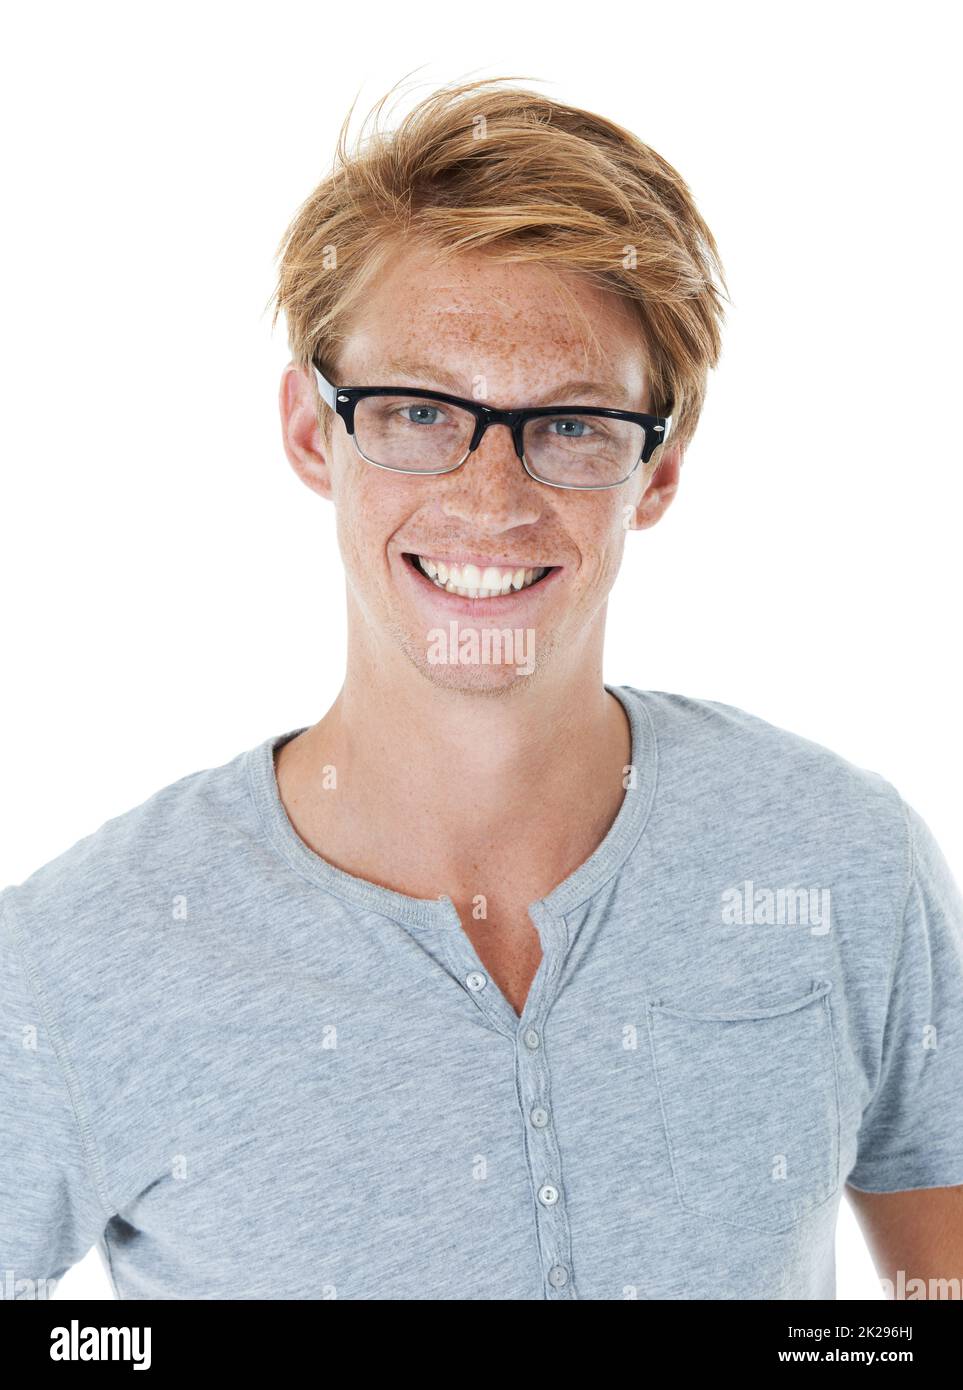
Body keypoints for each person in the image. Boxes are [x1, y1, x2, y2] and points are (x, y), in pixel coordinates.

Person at [2, 77, 962, 1303]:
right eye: (415, 411)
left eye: (568, 425)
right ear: (311, 432)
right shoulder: (76, 956)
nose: (491, 500)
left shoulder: (844, 860)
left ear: (655, 470)